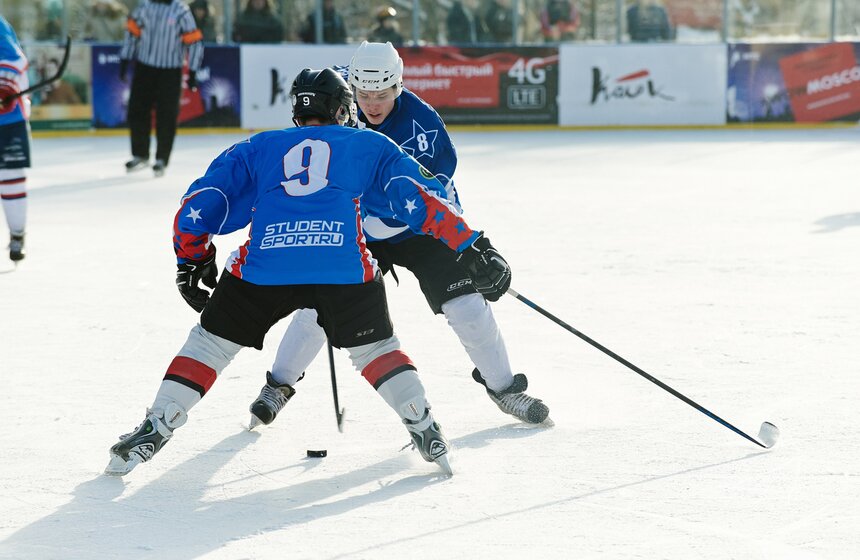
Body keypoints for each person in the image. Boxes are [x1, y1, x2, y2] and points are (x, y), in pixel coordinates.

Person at [105, 67, 511, 477]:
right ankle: (422, 424)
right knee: (375, 350)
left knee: (209, 346)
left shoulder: (258, 146)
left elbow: (200, 204)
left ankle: (158, 424)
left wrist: (192, 259)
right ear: (343, 109)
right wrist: (471, 245)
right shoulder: (369, 143)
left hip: (265, 265)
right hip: (342, 265)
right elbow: (420, 199)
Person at [249, 42, 549, 431]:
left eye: (383, 95)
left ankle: (504, 388)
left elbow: (438, 194)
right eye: (364, 95)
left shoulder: (424, 126)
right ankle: (278, 385)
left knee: (467, 306)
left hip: (417, 226)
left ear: (399, 86)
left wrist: (468, 246)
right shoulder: (336, 97)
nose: (372, 104)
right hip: (358, 224)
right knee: (319, 306)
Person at [120, 0, 204, 177]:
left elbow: (194, 41)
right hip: (144, 67)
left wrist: (193, 71)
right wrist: (125, 59)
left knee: (167, 114)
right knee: (137, 110)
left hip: (170, 71)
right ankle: (140, 153)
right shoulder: (144, 7)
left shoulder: (181, 11)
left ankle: (162, 158)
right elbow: (132, 33)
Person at [0, 15, 30, 262]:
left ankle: (17, 233)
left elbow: (15, 59)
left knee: (11, 178)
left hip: (8, 121)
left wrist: (4, 87)